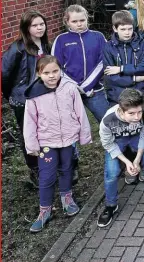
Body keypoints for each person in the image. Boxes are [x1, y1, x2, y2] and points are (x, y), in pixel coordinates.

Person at [23, 56, 92, 232]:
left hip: (68, 139)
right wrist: (32, 145)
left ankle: (67, 198)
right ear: (39, 73)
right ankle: (44, 210)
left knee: (66, 168)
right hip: (46, 142)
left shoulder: (69, 88)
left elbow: (80, 113)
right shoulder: (34, 95)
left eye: (55, 71)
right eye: (46, 73)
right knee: (46, 176)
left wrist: (84, 136)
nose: (52, 76)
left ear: (60, 70)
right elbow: (29, 122)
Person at [97, 89, 144, 228]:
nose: (137, 117)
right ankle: (111, 205)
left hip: (137, 137)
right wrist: (127, 162)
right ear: (121, 111)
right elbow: (108, 144)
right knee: (111, 172)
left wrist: (137, 160)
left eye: (139, 112)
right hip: (117, 141)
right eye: (131, 113)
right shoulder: (108, 120)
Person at [2, 10, 51, 188]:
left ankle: (49, 164)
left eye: (41, 24)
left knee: (45, 133)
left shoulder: (47, 46)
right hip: (24, 101)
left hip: (44, 98)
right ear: (26, 28)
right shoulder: (17, 49)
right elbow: (4, 75)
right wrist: (13, 95)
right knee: (29, 135)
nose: (39, 28)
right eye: (35, 25)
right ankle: (35, 169)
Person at [52, 4, 108, 122]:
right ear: (67, 22)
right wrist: (75, 86)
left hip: (95, 91)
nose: (79, 24)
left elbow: (103, 62)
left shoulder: (98, 37)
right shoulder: (61, 40)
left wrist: (86, 86)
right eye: (74, 21)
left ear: (87, 19)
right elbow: (55, 66)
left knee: (107, 123)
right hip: (70, 91)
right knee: (71, 129)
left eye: (82, 20)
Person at [103, 10, 144, 106]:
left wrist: (121, 69)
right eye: (123, 29)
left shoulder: (143, 44)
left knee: (141, 120)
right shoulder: (108, 47)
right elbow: (110, 77)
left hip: (140, 95)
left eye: (130, 29)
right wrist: (133, 79)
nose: (127, 32)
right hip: (117, 97)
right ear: (115, 28)